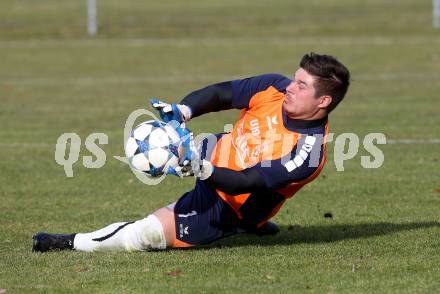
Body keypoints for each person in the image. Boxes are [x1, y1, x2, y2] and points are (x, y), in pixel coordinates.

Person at [32, 52, 350, 252]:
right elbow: (223, 93)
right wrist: (183, 111)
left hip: (229, 204)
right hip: (215, 150)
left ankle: (69, 242)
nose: (290, 88)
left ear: (323, 102)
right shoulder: (275, 88)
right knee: (172, 144)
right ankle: (254, 223)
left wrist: (198, 168)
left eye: (301, 86)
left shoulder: (307, 153)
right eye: (294, 79)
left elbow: (247, 182)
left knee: (147, 235)